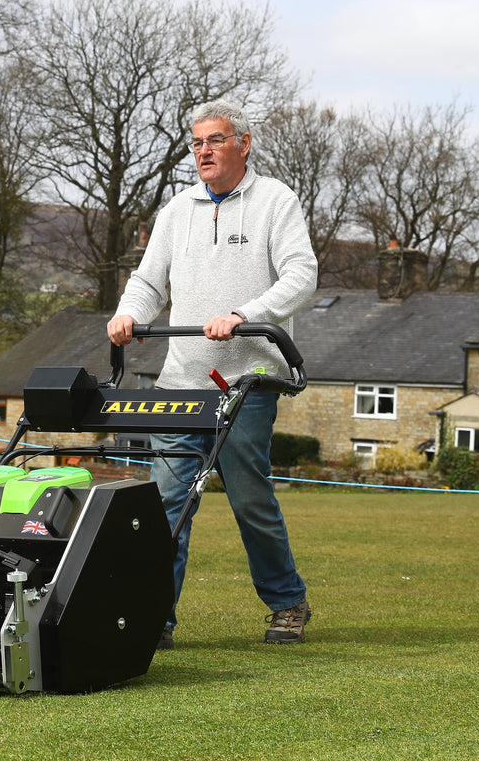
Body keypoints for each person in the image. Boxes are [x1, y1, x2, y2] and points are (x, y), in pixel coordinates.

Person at [107, 99, 318, 648]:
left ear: (243, 144)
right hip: (182, 381)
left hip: (245, 381)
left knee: (249, 499)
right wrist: (130, 313)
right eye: (197, 142)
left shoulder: (275, 201)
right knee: (165, 506)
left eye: (216, 140)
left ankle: (287, 602)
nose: (204, 151)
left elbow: (302, 275)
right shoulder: (178, 210)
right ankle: (157, 617)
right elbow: (149, 281)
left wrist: (246, 316)